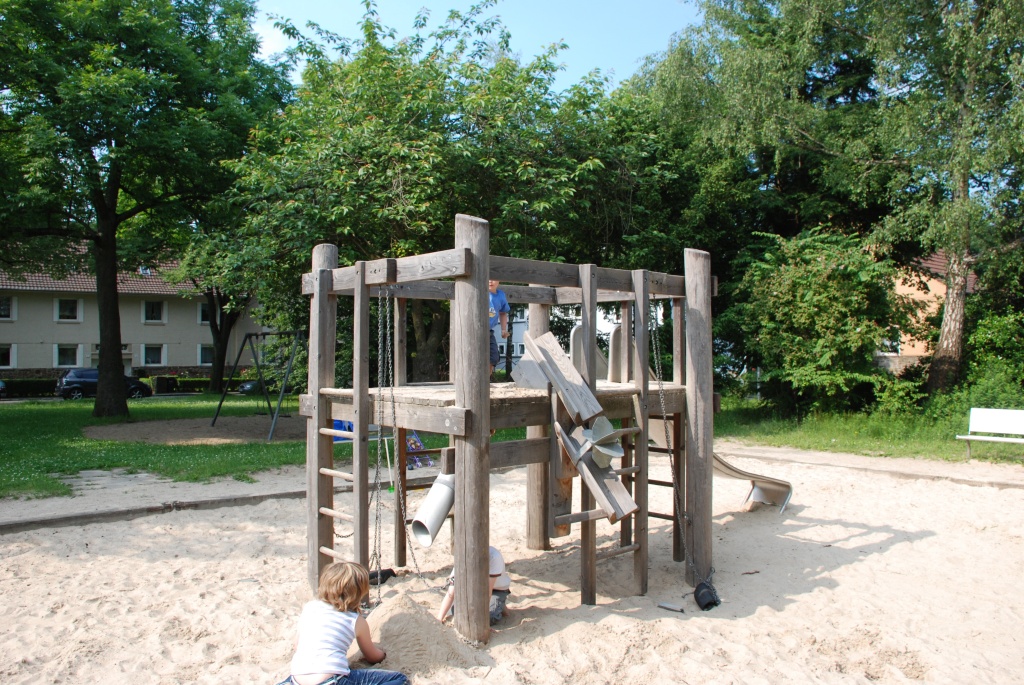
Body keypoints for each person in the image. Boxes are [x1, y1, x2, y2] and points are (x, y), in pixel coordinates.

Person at [277, 562, 408, 685]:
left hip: (296, 679)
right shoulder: (356, 621)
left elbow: (297, 646)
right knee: (400, 679)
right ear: (358, 593)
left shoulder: (310, 607)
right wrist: (383, 654)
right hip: (331, 680)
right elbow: (371, 656)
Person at [436, 546, 511, 626]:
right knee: (455, 611)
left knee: (486, 619)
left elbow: (487, 592)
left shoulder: (494, 557)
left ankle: (499, 602)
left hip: (497, 589)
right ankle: (499, 604)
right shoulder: (461, 558)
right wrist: (439, 619)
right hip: (474, 588)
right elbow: (451, 593)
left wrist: (483, 623)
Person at [488, 279, 510, 375]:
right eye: (488, 278)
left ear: (499, 281)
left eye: (493, 279)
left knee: (494, 357)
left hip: (489, 331)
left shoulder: (500, 295)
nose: (490, 281)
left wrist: (503, 330)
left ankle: (486, 380)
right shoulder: (480, 292)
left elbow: (503, 313)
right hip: (476, 330)